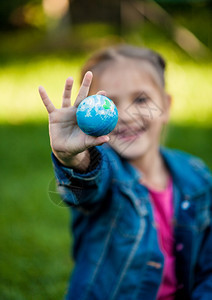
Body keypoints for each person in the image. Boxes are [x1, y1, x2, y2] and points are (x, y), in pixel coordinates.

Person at [38, 45, 212, 300]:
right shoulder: (105, 172)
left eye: (141, 100)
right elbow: (86, 185)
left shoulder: (196, 175)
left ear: (165, 105)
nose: (126, 116)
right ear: (88, 113)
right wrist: (72, 159)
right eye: (108, 103)